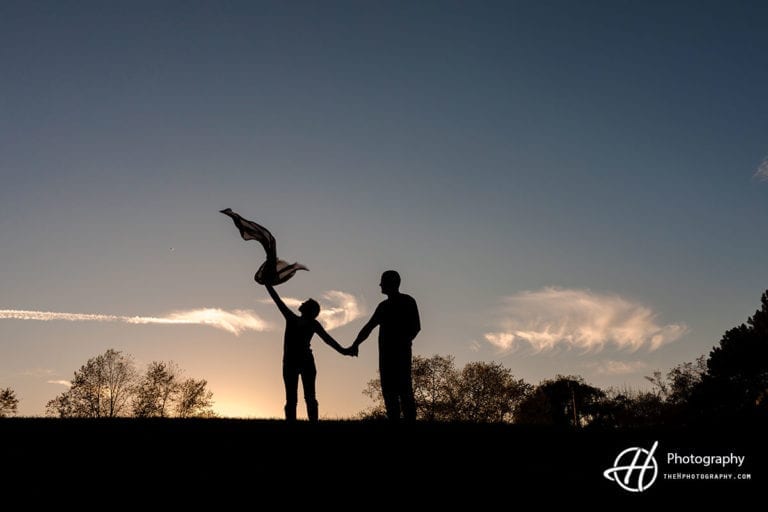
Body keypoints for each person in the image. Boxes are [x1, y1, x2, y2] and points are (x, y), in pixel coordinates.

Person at [264, 281, 349, 422]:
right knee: (304, 398)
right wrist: (344, 351)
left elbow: (277, 299)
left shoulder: (293, 319)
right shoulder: (304, 321)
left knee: (298, 398)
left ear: (308, 310)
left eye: (305, 302)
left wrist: (267, 284)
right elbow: (328, 340)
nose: (302, 302)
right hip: (299, 362)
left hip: (297, 362)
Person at [350, 270, 420, 422]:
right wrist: (356, 344)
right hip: (392, 355)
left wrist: (403, 342)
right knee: (394, 392)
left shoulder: (396, 304)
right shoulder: (388, 305)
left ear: (390, 283)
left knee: (401, 391)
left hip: (395, 355)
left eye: (383, 281)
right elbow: (369, 327)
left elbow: (415, 327)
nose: (380, 285)